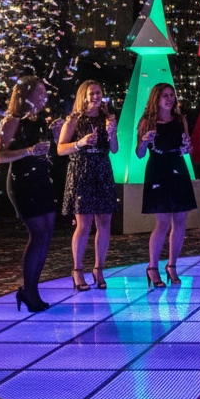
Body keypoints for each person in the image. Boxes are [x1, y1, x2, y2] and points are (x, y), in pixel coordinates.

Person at [0, 76, 62, 312]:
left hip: (42, 179)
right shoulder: (12, 121)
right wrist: (28, 151)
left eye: (45, 92)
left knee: (47, 233)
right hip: (22, 182)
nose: (44, 97)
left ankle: (32, 289)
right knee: (38, 233)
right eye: (40, 92)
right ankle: (28, 290)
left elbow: (50, 151)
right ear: (26, 95)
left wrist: (56, 134)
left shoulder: (41, 121)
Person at [58, 80, 118, 291]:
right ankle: (77, 270)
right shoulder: (74, 119)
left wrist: (112, 134)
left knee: (104, 222)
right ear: (83, 96)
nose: (95, 96)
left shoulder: (108, 118)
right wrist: (80, 143)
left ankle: (99, 269)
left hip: (102, 170)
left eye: (98, 92)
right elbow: (60, 149)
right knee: (83, 224)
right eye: (91, 93)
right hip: (81, 171)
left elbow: (114, 149)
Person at [135, 83, 195, 288]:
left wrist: (187, 148)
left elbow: (187, 147)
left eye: (171, 95)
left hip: (178, 167)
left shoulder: (180, 120)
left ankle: (172, 265)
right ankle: (152, 267)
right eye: (165, 96)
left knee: (180, 219)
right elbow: (139, 154)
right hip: (158, 169)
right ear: (156, 99)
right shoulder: (147, 122)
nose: (169, 99)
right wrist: (144, 141)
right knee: (162, 222)